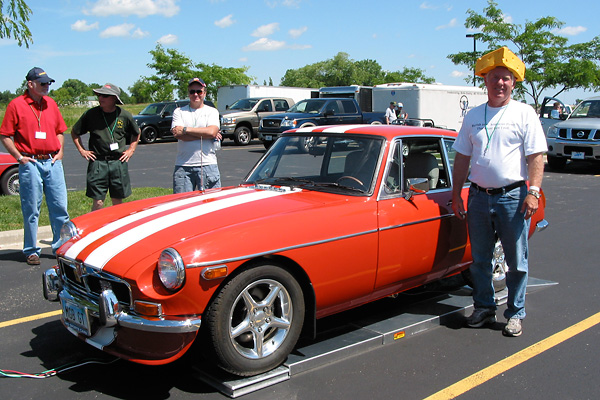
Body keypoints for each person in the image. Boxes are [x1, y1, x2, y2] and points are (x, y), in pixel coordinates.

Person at [450, 47, 547, 337]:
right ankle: (483, 307)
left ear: (513, 83)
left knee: (516, 261)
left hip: (513, 197)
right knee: (479, 259)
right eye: (494, 78)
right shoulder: (473, 116)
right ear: (486, 82)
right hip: (478, 197)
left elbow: (536, 157)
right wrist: (457, 194)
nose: (500, 83)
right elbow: (462, 158)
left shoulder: (523, 113)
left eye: (505, 78)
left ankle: (515, 314)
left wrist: (533, 192)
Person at [0, 67, 70, 265]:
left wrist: (61, 152)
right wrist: (19, 157)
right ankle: (31, 250)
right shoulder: (16, 105)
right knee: (31, 208)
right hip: (30, 162)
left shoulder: (51, 104)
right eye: (43, 83)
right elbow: (5, 135)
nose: (47, 86)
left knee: (60, 207)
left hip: (53, 161)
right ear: (30, 84)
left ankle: (61, 246)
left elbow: (59, 131)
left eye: (48, 83)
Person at [71, 83, 140, 211]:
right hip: (98, 162)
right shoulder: (91, 114)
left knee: (117, 200)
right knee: (98, 202)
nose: (100, 98)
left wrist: (131, 150)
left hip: (118, 161)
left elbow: (137, 133)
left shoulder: (124, 115)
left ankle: (119, 226)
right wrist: (82, 150)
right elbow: (75, 132)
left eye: (105, 96)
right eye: (99, 95)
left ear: (114, 99)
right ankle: (96, 228)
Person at [171, 77, 222, 193]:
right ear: (188, 93)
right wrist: (205, 134)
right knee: (182, 204)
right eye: (192, 91)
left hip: (208, 165)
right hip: (183, 166)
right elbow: (177, 135)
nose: (195, 94)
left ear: (204, 93)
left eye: (199, 91)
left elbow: (212, 132)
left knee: (211, 204)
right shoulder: (178, 112)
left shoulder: (212, 111)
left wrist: (185, 129)